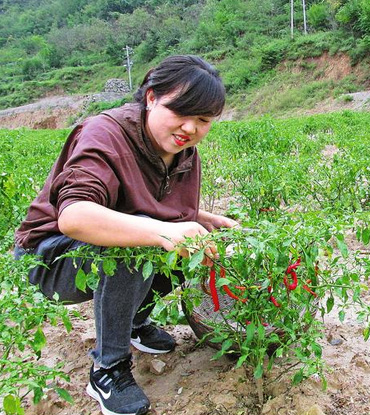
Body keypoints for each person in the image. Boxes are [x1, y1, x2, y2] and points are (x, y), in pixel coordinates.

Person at [14, 55, 237, 415]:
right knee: (140, 247)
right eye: (181, 111)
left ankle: (134, 323)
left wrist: (206, 219)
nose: (190, 128)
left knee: (189, 241)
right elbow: (75, 216)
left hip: (90, 247)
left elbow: (152, 207)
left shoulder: (183, 153)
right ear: (151, 97)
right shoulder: (106, 132)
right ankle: (108, 367)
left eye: (204, 120)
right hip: (49, 258)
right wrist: (165, 230)